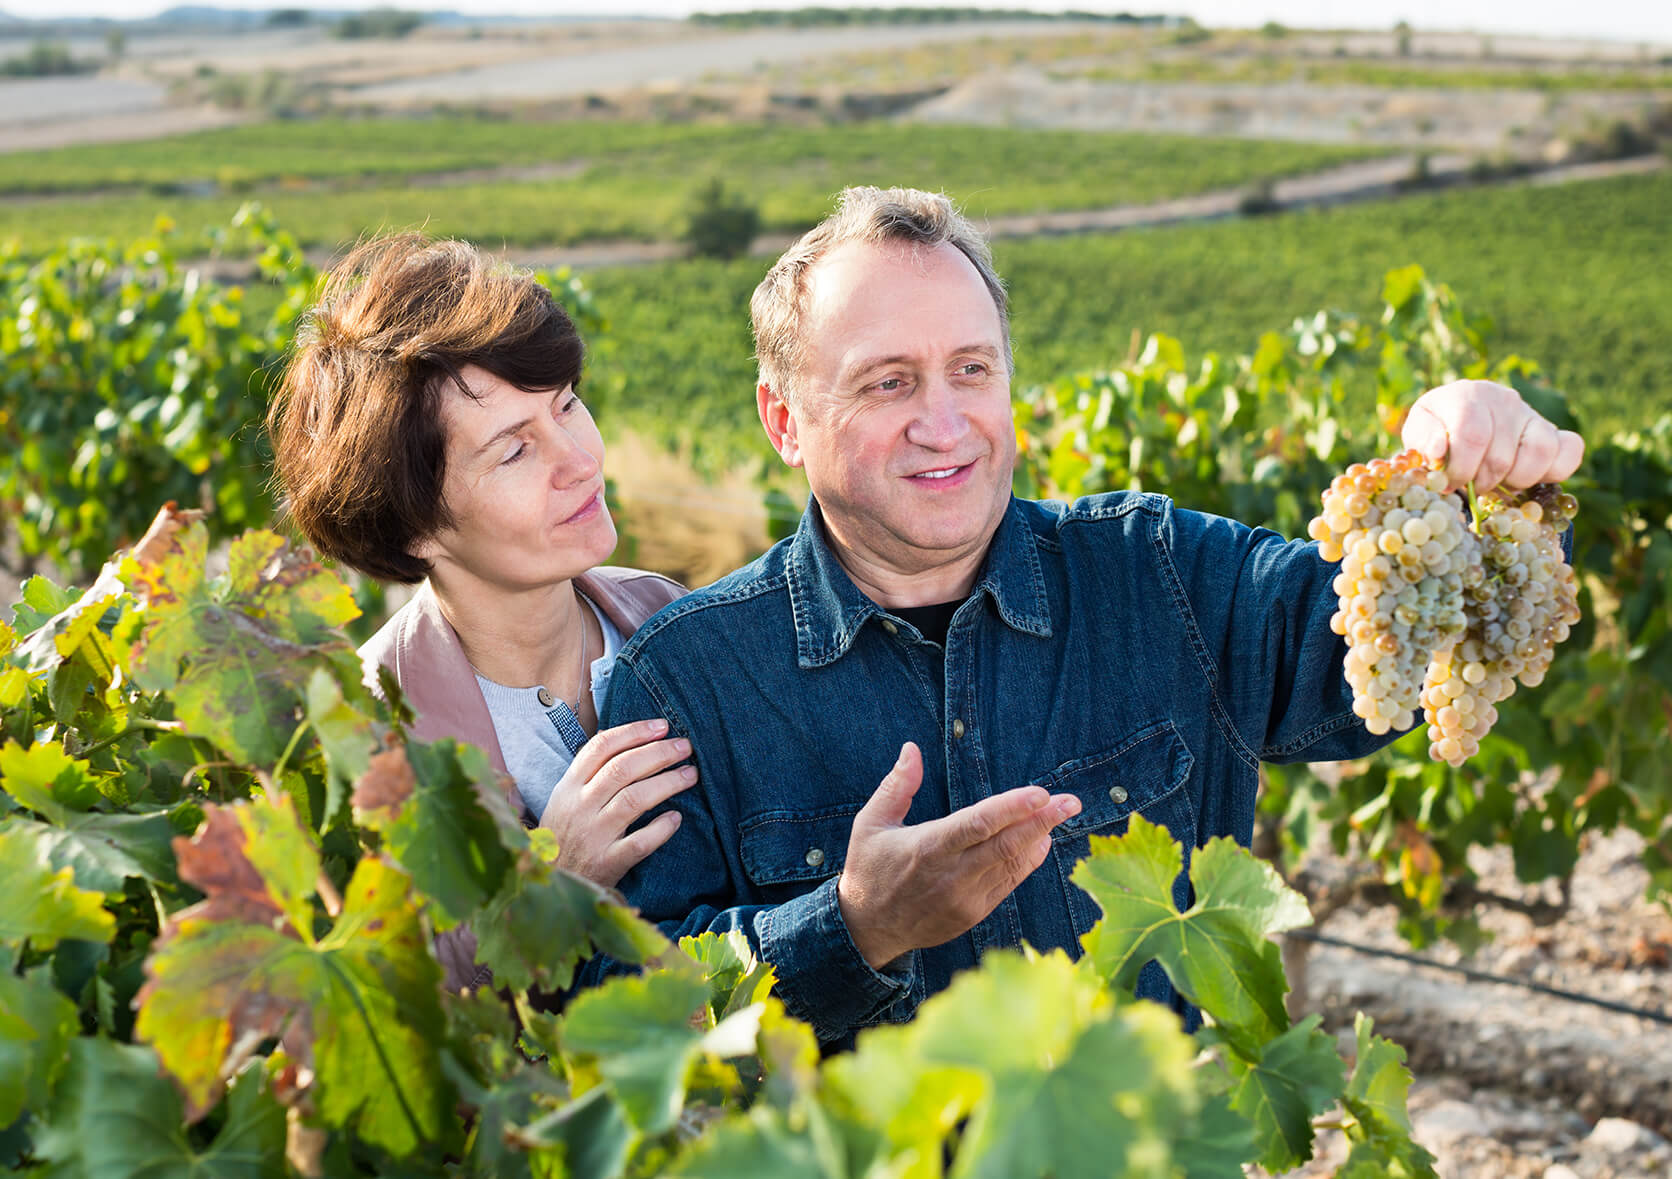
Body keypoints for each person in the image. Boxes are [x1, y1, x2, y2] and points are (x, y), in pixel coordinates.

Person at [580, 186, 1585, 1047]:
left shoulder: (1161, 573)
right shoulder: (687, 680)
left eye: (972, 369)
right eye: (889, 382)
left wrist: (1479, 470)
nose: (945, 422)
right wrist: (851, 928)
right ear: (784, 419)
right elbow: (638, 1015)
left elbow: (1378, 651)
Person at [267, 234, 696, 991]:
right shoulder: (374, 738)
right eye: (513, 451)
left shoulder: (669, 616)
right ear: (414, 529)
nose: (578, 458)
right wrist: (552, 882)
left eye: (568, 404)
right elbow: (406, 1016)